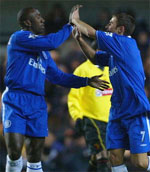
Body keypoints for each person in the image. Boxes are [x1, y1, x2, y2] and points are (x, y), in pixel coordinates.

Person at [1, 7, 110, 172]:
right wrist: (70, 24)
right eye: (38, 17)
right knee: (15, 152)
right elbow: (52, 42)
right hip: (16, 99)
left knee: (35, 156)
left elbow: (59, 77)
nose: (43, 20)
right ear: (27, 22)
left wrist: (86, 81)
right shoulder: (19, 38)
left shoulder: (44, 53)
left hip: (37, 103)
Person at [69, 5, 150, 172]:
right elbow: (93, 57)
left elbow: (92, 32)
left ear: (120, 30)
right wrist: (79, 40)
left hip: (134, 110)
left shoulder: (126, 44)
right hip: (117, 113)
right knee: (113, 157)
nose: (107, 26)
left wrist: (75, 20)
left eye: (111, 23)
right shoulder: (115, 55)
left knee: (140, 163)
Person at [68, 41, 112, 172]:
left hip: (112, 119)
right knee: (104, 155)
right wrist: (78, 117)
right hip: (92, 119)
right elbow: (74, 97)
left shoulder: (111, 68)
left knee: (98, 157)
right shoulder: (82, 70)